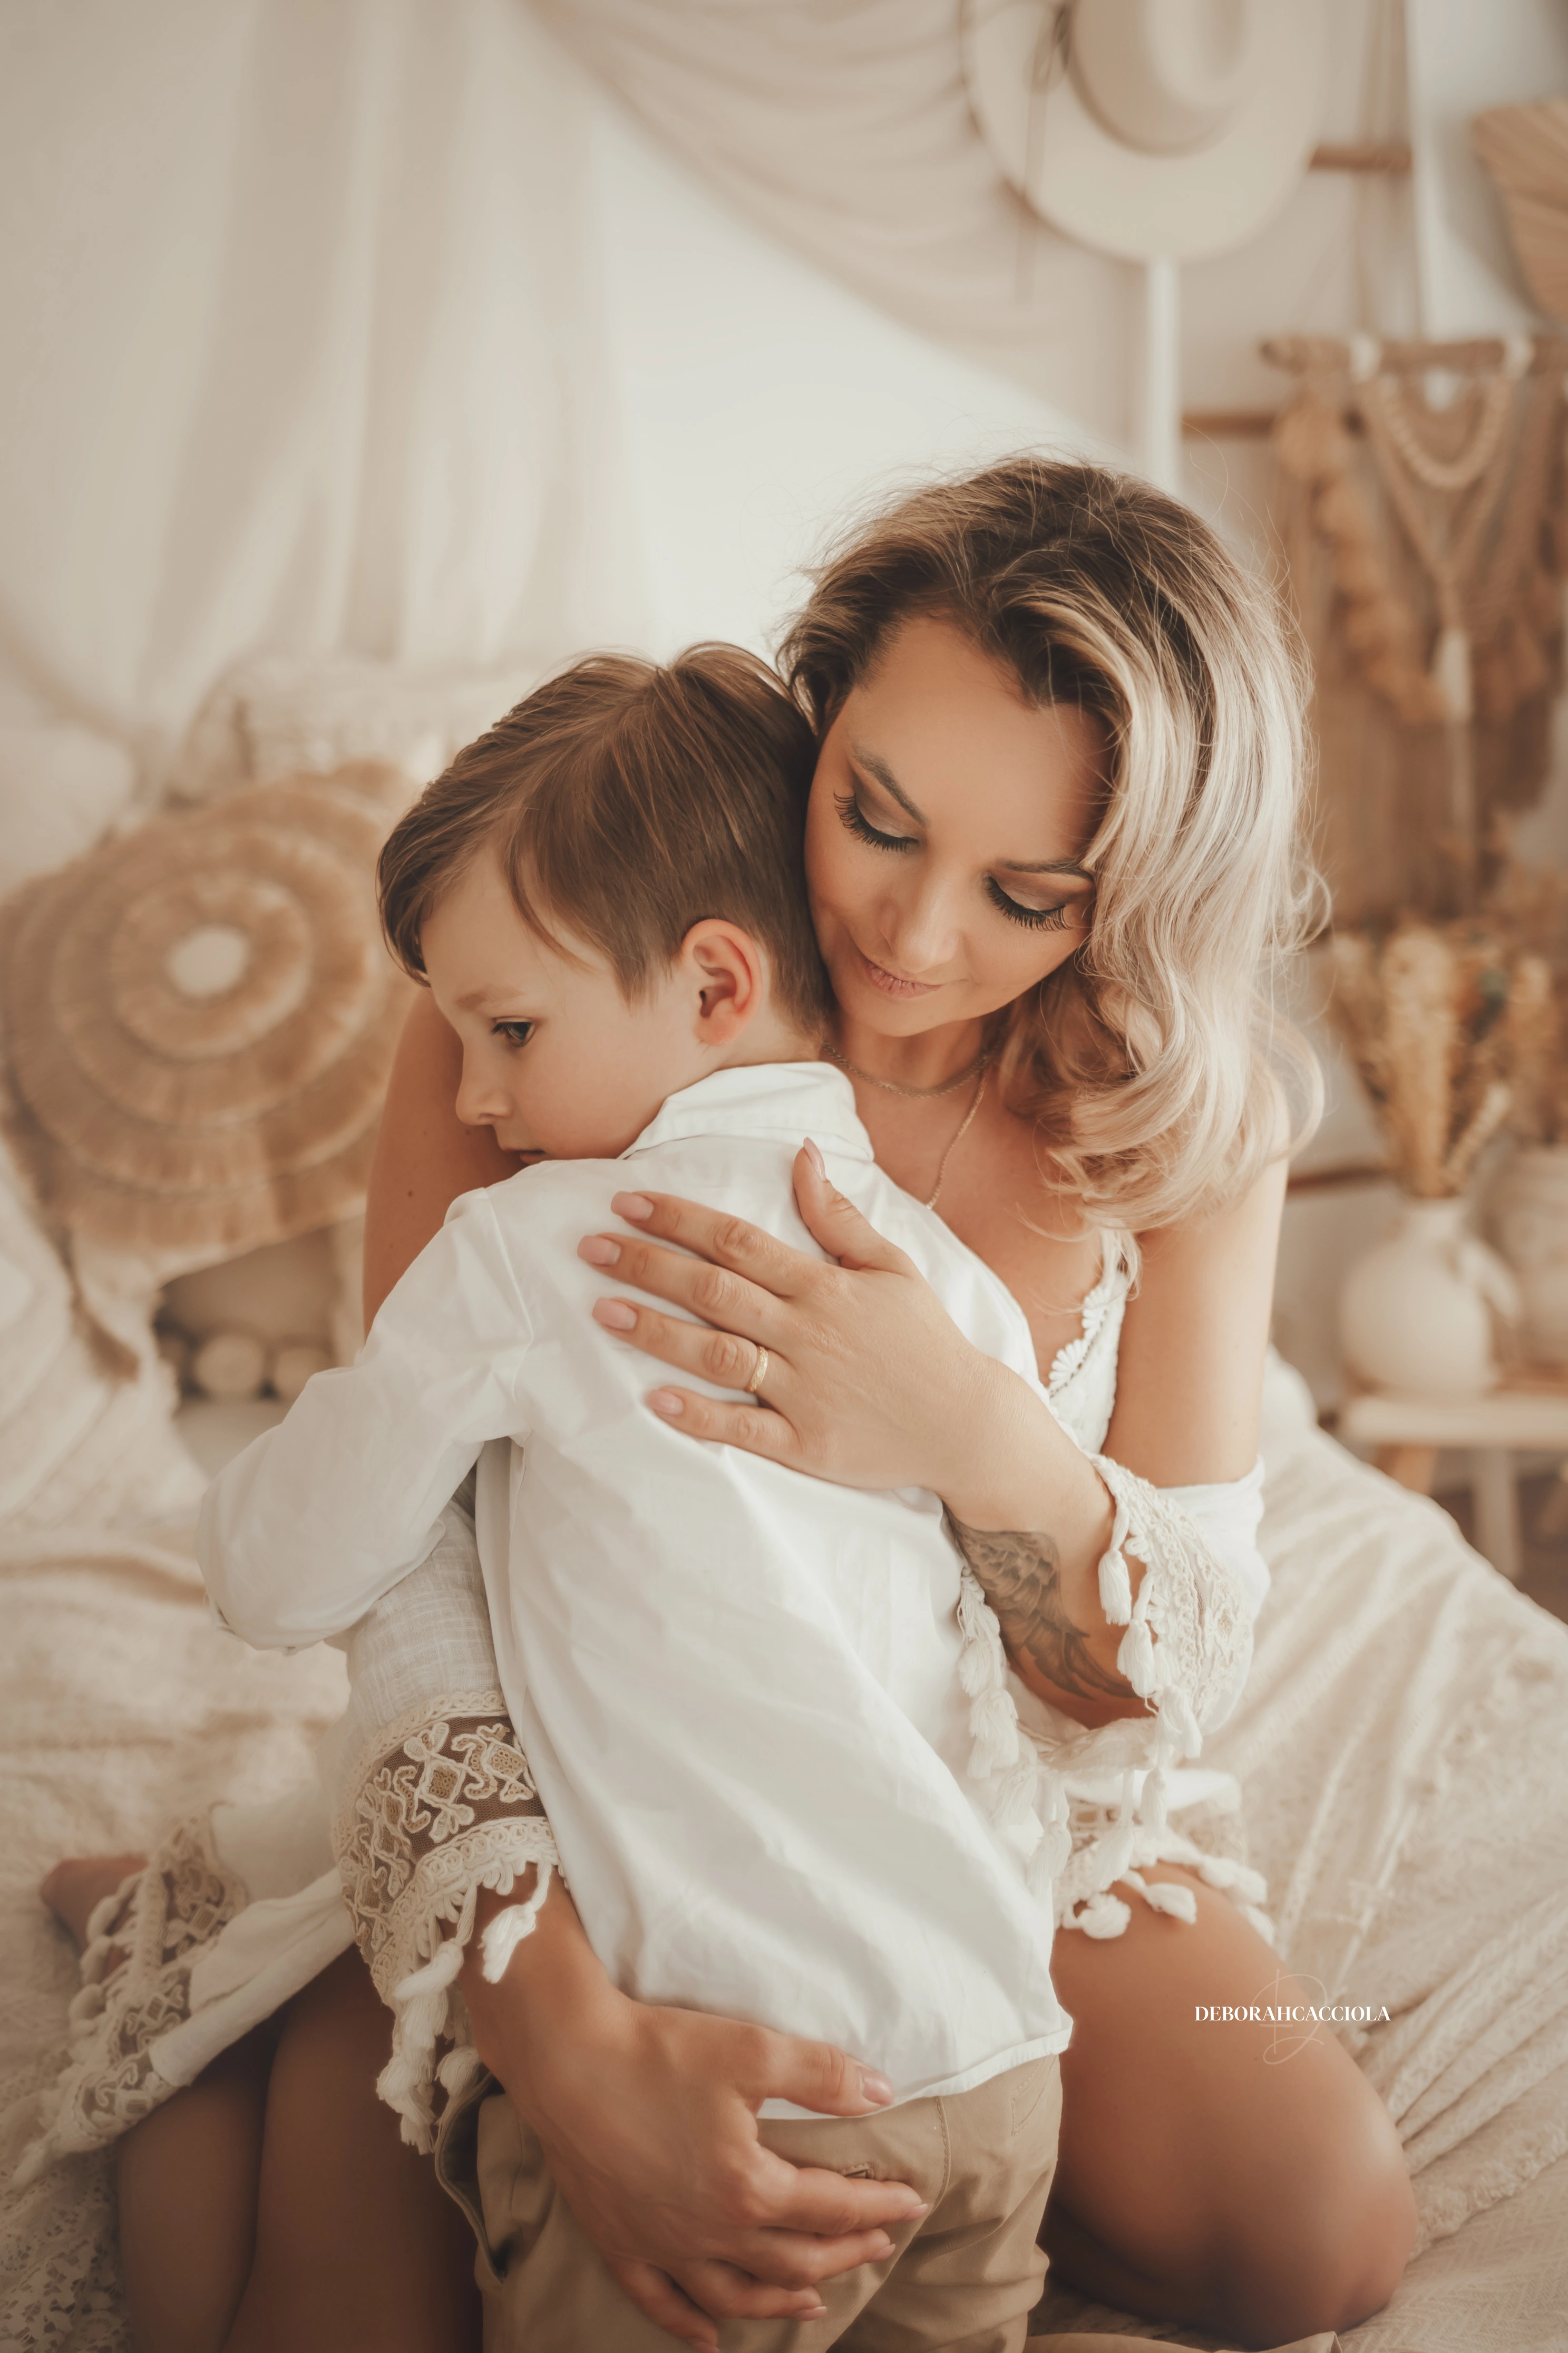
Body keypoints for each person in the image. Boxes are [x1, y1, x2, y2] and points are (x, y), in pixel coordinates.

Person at [43, 459, 1417, 2353]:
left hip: (970, 1798)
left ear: (1140, 894)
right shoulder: (555, 963)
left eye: (1027, 892)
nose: (918, 937)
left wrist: (967, 1432)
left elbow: (1154, 1667)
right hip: (577, 1758)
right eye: (874, 817)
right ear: (817, 705)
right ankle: (267, 1953)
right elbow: (402, 1555)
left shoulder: (1186, 1118)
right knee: (334, 2308)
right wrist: (567, 2032)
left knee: (1321, 2236)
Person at [201, 640, 1095, 2349]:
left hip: (736, 2070)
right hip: (993, 2060)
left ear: (708, 984)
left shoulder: (527, 1248)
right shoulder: (936, 1280)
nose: (475, 1097)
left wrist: (253, 1496)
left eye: (509, 1030)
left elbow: (279, 1579)